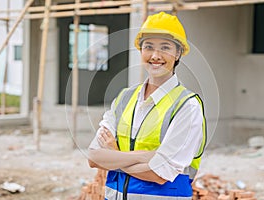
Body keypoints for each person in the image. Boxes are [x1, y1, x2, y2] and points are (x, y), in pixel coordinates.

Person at [87, 11, 207, 200]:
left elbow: (159, 174)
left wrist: (115, 154)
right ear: (141, 51)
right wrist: (143, 156)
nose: (155, 55)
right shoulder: (125, 98)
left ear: (178, 53)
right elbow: (94, 158)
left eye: (165, 47)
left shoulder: (187, 106)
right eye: (149, 46)